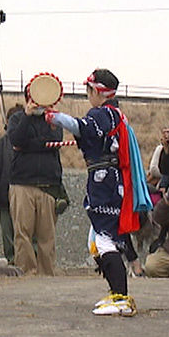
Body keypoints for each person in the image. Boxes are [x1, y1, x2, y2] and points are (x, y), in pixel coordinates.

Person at [48, 69, 151, 314]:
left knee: (105, 238)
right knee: (95, 241)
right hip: (109, 181)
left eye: (89, 91)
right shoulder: (115, 115)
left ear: (96, 91)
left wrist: (52, 116)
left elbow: (81, 127)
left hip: (105, 182)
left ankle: (121, 298)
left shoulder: (102, 113)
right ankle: (117, 292)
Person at [8, 91, 65, 276]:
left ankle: (47, 274)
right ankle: (26, 273)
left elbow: (55, 140)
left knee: (47, 235)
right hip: (22, 183)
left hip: (48, 184)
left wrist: (30, 145)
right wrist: (27, 115)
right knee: (22, 232)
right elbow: (16, 140)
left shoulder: (54, 120)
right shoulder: (17, 118)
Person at [0, 105, 22, 264]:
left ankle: (28, 261)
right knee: (8, 234)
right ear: (7, 121)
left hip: (24, 197)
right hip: (4, 198)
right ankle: (11, 261)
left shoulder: (29, 142)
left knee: (26, 232)